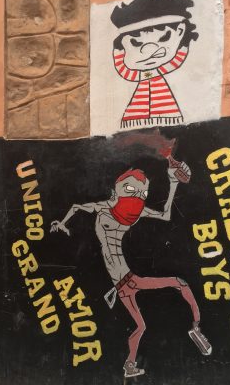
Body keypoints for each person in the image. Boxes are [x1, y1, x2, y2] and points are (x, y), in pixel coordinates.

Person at [51, 161, 211, 378]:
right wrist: (62, 223)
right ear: (116, 190)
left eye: (142, 192)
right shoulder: (105, 207)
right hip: (127, 281)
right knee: (179, 283)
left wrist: (173, 183)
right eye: (130, 189)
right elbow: (77, 207)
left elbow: (165, 215)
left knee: (141, 327)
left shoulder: (137, 210)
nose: (137, 195)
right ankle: (196, 326)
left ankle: (129, 365)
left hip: (122, 285)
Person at [110, 0, 199, 129]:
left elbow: (176, 60)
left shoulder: (153, 71)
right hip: (136, 121)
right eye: (136, 43)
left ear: (180, 31)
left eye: (163, 38)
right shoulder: (146, 74)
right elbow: (124, 71)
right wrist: (117, 52)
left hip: (168, 118)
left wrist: (185, 44)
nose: (149, 51)